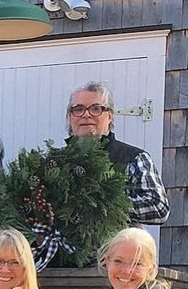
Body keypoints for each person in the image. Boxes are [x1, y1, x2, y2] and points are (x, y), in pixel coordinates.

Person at [66, 82, 168, 225]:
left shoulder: (133, 158)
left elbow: (159, 207)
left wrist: (103, 205)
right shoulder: (55, 163)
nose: (86, 115)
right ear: (70, 117)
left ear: (110, 116)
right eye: (78, 109)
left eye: (96, 109)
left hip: (117, 245)